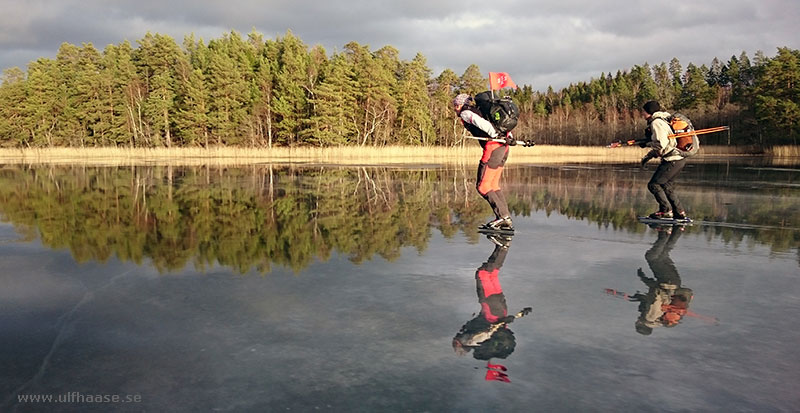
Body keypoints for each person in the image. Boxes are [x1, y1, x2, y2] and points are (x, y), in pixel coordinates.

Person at [452, 234, 531, 381]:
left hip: (499, 308)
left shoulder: (474, 339)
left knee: (492, 275)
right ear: (460, 343)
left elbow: (486, 328)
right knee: (483, 273)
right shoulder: (472, 340)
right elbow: (487, 330)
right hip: (491, 307)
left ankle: (502, 247)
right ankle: (503, 246)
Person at [453, 93, 516, 232]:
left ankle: (502, 217)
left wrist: (494, 135)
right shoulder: (482, 111)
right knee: (493, 185)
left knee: (482, 186)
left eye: (456, 105)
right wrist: (508, 137)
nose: (455, 109)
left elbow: (481, 123)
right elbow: (501, 126)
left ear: (461, 105)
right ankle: (505, 218)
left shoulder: (466, 113)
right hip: (503, 148)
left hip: (493, 147)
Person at [629, 226, 693, 335]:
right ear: (641, 324)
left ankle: (678, 230)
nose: (637, 320)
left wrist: (642, 298)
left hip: (674, 282)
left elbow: (656, 298)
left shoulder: (657, 319)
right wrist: (643, 279)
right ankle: (664, 232)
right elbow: (656, 295)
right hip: (666, 281)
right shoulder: (650, 317)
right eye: (637, 323)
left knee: (663, 255)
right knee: (651, 257)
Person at [640, 100, 687, 220]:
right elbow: (663, 146)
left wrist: (647, 144)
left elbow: (661, 144)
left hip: (672, 160)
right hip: (678, 159)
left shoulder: (656, 123)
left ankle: (666, 211)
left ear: (649, 112)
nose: (642, 114)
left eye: (643, 111)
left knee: (654, 185)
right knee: (666, 185)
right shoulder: (663, 121)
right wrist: (649, 156)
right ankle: (679, 212)